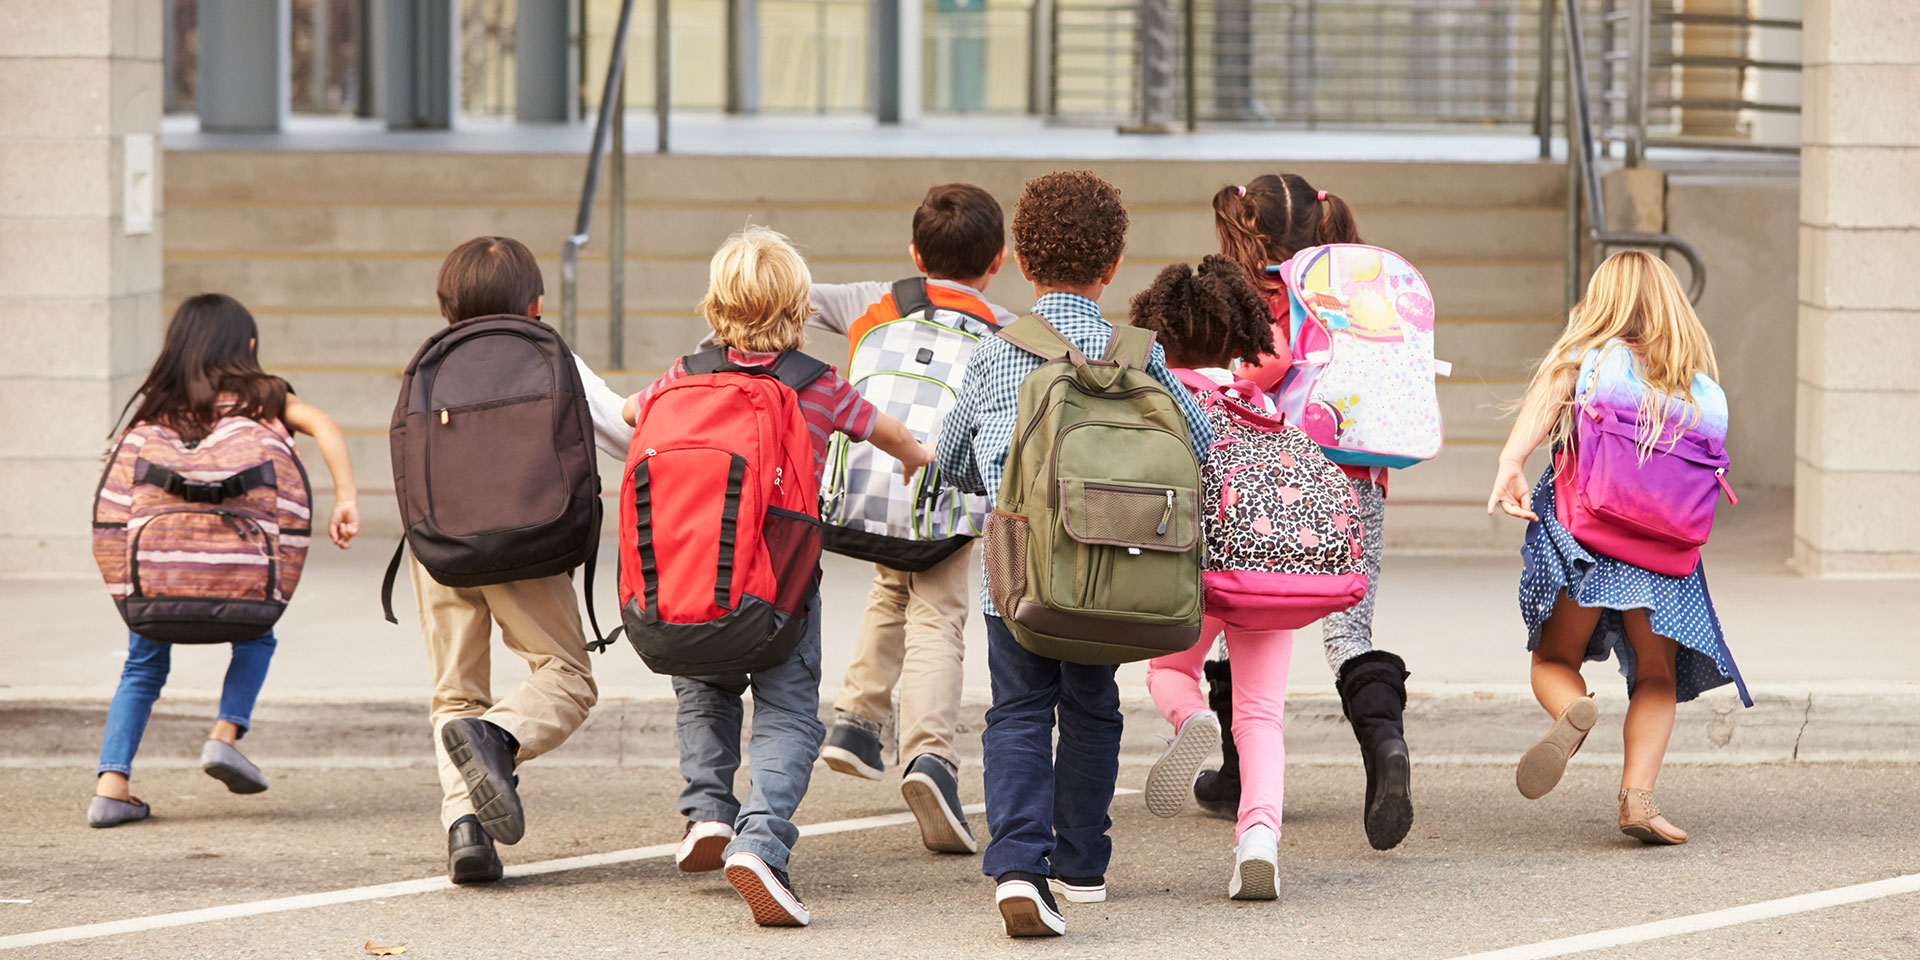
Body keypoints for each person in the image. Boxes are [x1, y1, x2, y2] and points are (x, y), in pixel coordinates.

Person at [625, 226, 936, 927]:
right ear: (798, 308)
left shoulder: (684, 374)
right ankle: (760, 840)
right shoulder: (816, 385)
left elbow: (628, 412)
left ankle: (707, 811)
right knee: (789, 711)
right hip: (780, 595)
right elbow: (884, 431)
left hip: (692, 585)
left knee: (704, 692)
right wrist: (918, 455)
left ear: (715, 305)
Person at [936, 171, 1215, 937]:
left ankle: (1020, 866)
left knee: (1018, 710)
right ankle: (1083, 865)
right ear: (1112, 264)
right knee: (1092, 709)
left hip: (1019, 577)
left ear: (1022, 260)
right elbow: (1204, 446)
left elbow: (952, 456)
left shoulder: (999, 353)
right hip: (1114, 573)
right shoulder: (1140, 356)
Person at [1487, 250, 1748, 845]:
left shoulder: (1589, 361)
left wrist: (1509, 463)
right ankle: (1639, 800)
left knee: (1555, 660)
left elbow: (1551, 391)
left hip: (1587, 538)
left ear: (1602, 302)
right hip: (1664, 553)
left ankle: (1571, 709)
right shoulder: (1695, 386)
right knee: (1657, 675)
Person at [88, 293, 360, 828]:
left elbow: (116, 499)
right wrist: (346, 497)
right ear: (249, 347)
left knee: (142, 665)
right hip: (242, 574)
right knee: (256, 636)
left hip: (161, 573)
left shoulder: (156, 405)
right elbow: (324, 424)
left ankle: (111, 785)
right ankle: (225, 735)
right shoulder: (265, 398)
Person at [407, 237, 633, 884]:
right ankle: (499, 739)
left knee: (455, 693)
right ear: (536, 303)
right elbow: (625, 434)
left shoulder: (431, 362)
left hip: (438, 545)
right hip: (527, 543)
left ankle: (465, 830)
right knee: (566, 676)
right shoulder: (547, 354)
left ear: (447, 304)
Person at [1203, 173, 1415, 852]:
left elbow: (1251, 371)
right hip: (1354, 479)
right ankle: (1385, 747)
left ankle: (1241, 772)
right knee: (1349, 634)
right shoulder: (1355, 296)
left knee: (1245, 610)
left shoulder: (1244, 301)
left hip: (1270, 481)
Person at [810, 183, 1016, 856]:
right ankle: (931, 758)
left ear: (913, 253)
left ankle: (857, 720)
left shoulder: (873, 300)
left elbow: (791, 295)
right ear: (998, 261)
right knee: (939, 617)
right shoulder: (1005, 328)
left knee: (891, 582)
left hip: (866, 487)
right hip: (944, 491)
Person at [1129, 256, 1298, 899]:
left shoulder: (1158, 395)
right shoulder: (1259, 403)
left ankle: (1190, 717)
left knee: (1170, 671)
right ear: (1237, 338)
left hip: (1186, 574)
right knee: (1260, 715)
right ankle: (1258, 840)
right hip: (1264, 573)